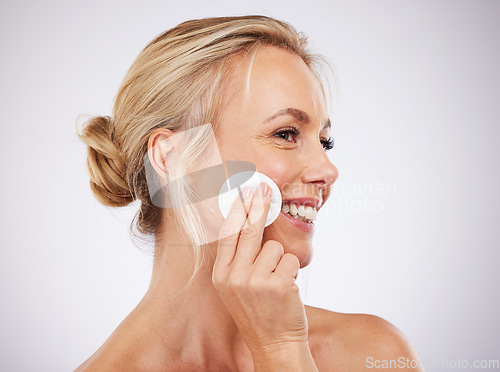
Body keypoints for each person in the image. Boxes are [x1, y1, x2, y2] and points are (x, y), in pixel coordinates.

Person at [76, 15, 422, 371]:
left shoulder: (371, 352)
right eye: (286, 134)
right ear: (173, 158)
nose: (327, 171)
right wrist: (278, 350)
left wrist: (283, 350)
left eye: (324, 141)